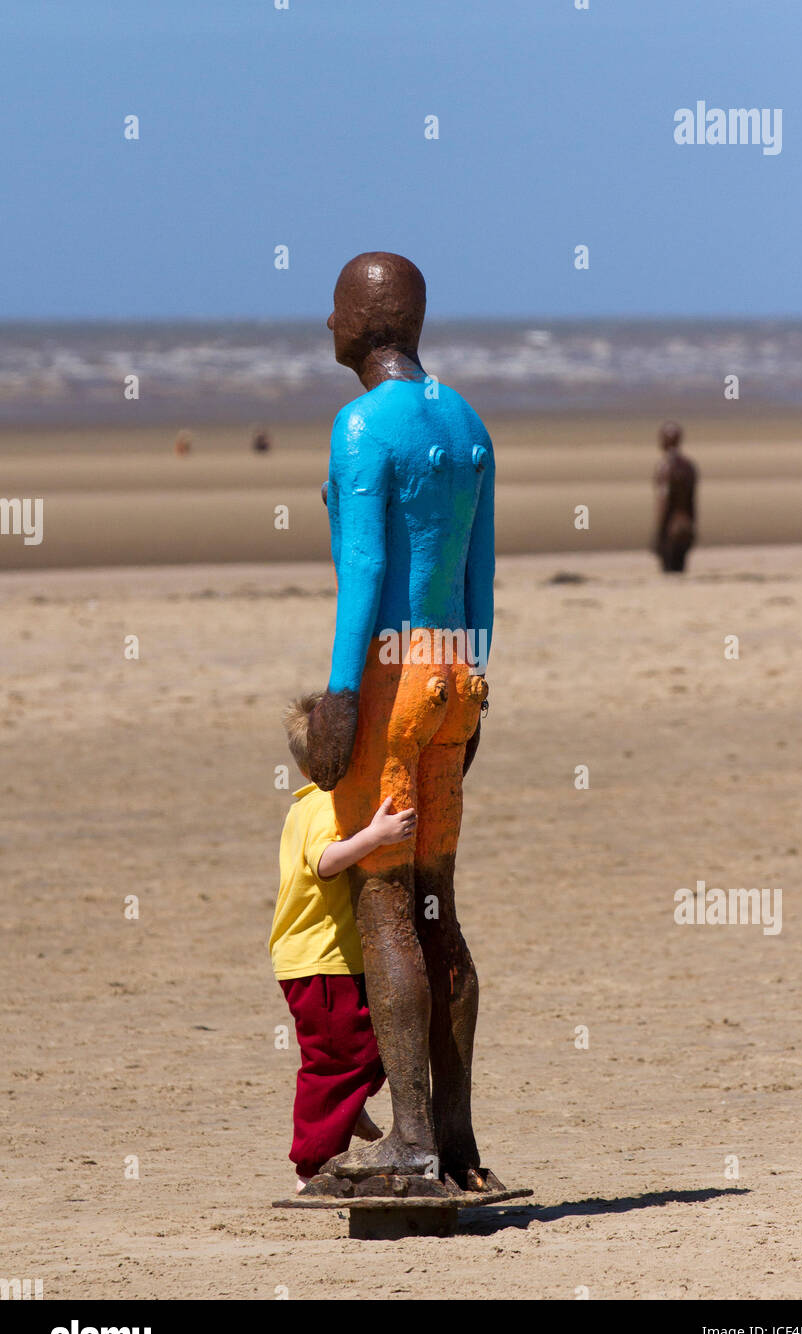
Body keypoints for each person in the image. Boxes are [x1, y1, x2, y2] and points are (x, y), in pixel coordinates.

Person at [306, 252, 494, 1186]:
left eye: (336, 309)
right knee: (439, 909)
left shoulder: (359, 428)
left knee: (384, 905)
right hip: (456, 671)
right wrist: (476, 685)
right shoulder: (464, 422)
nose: (326, 323)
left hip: (388, 675)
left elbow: (365, 578)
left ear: (367, 323)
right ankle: (456, 1142)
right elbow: (479, 576)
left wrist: (341, 698)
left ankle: (413, 1140)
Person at [270, 693, 416, 1190]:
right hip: (319, 960)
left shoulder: (309, 803)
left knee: (373, 1044)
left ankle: (347, 1110)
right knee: (334, 1063)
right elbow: (326, 862)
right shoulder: (323, 808)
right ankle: (311, 1167)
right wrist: (377, 836)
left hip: (325, 959)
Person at [653, 420, 698, 572]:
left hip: (671, 528)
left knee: (669, 572)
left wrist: (659, 533)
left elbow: (664, 502)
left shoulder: (665, 467)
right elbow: (692, 502)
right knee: (680, 571)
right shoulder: (689, 466)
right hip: (686, 525)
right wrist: (693, 527)